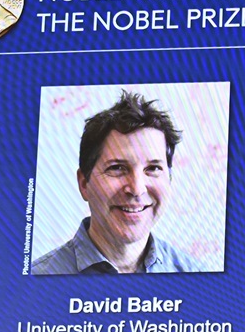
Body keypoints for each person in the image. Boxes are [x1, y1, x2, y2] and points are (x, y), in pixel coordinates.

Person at [32, 91, 209, 274]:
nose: (137, 189)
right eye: (117, 168)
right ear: (84, 184)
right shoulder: (34, 283)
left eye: (153, 168)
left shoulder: (199, 277)